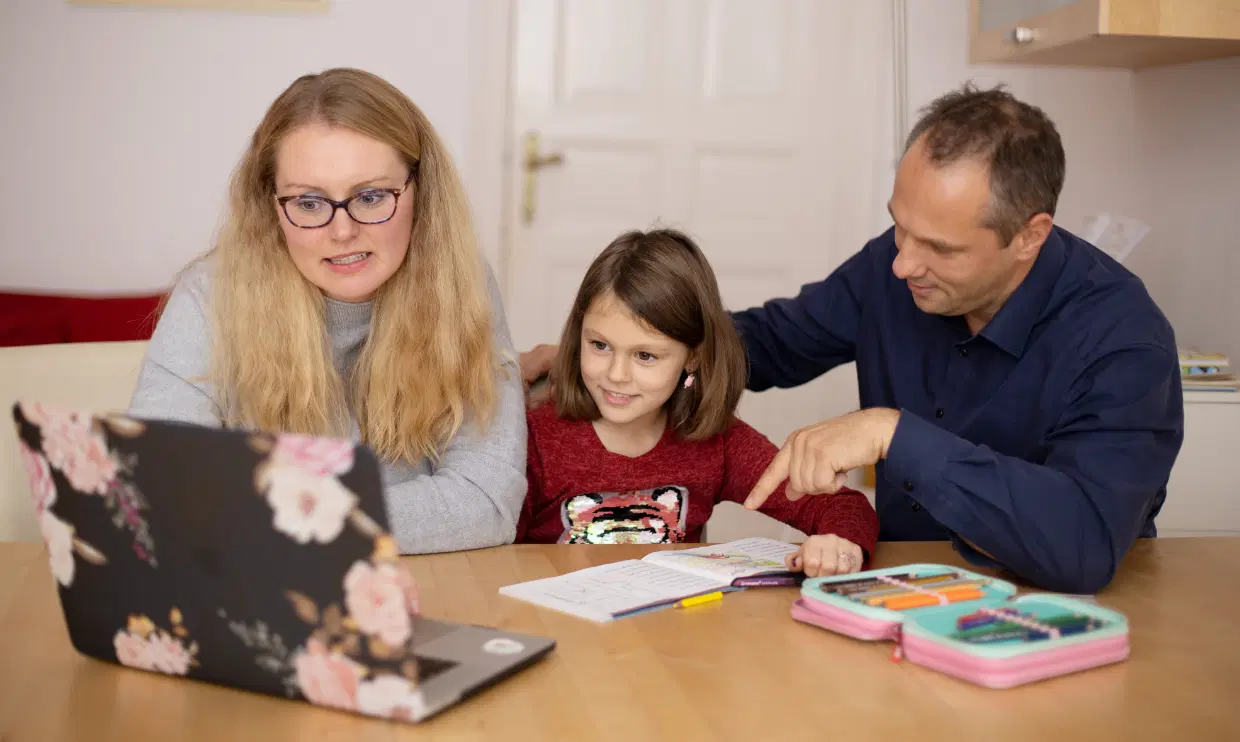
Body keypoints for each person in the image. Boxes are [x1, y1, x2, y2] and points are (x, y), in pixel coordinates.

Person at [522, 84, 1184, 594]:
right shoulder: (894, 269)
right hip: (890, 589)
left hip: (1046, 606)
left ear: (1030, 236)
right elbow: (771, 341)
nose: (902, 265)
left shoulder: (1123, 341)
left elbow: (1085, 545)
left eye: (940, 248)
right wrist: (648, 348)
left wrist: (896, 435)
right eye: (900, 227)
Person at [129, 68, 526, 554]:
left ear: (421, 192)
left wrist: (264, 515)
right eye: (309, 202)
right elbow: (157, 492)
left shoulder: (462, 284)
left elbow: (486, 502)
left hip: (427, 586)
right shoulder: (208, 298)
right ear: (270, 205)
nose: (342, 231)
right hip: (263, 596)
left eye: (371, 196)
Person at [518, 229, 879, 577]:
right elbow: (488, 553)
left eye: (645, 355)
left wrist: (839, 546)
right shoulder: (535, 441)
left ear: (692, 358)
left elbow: (843, 505)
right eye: (600, 345)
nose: (616, 374)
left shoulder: (717, 443)